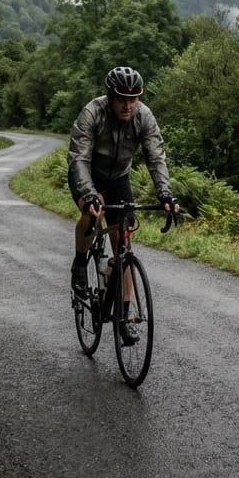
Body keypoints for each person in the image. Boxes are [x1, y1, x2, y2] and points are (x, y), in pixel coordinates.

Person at [67, 66, 179, 307]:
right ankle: (79, 262)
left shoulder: (144, 116)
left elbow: (156, 156)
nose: (128, 105)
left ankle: (125, 313)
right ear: (110, 96)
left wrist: (165, 193)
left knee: (123, 246)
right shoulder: (92, 113)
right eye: (121, 99)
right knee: (92, 214)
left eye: (133, 99)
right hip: (88, 175)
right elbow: (80, 159)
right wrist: (89, 194)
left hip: (118, 177)